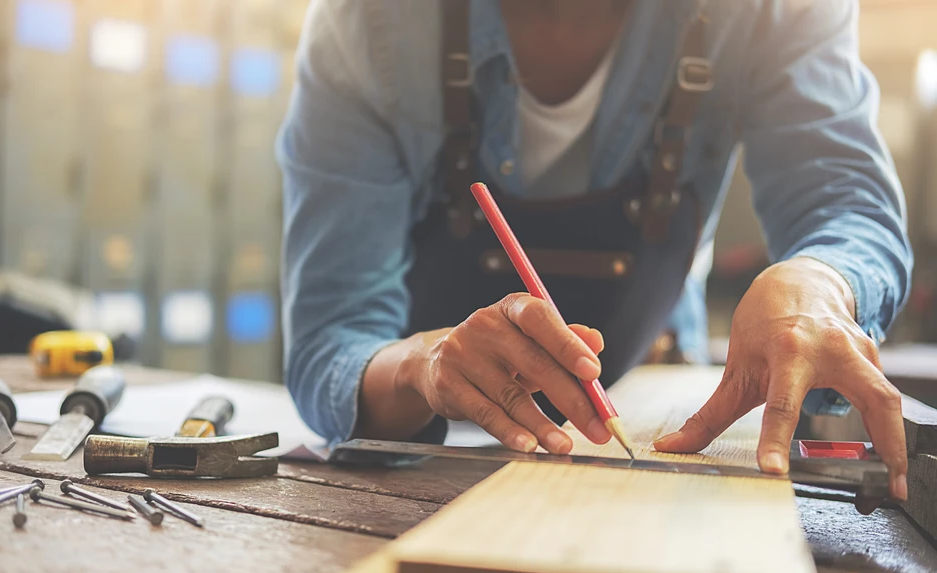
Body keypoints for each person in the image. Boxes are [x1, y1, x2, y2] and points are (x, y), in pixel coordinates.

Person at [276, 0, 913, 502]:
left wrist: (816, 285)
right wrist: (424, 364)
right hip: (419, 471)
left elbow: (847, 205)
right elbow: (331, 341)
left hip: (659, 416)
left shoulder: (774, 8)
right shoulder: (367, 20)